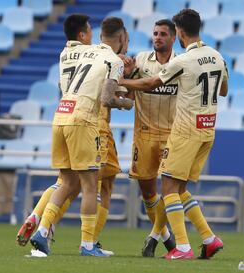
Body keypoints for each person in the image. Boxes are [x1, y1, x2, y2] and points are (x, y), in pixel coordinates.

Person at [119, 9, 228, 260]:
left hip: (185, 130)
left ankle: (183, 247)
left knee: (168, 187)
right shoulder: (217, 56)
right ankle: (209, 238)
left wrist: (122, 83)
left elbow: (150, 84)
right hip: (207, 130)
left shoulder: (182, 61)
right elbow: (222, 89)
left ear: (179, 32)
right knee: (178, 189)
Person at [29, 14, 133, 257]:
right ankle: (87, 245)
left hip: (61, 115)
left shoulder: (86, 52)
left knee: (66, 182)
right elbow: (107, 99)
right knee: (89, 186)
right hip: (83, 120)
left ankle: (42, 231)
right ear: (122, 38)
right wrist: (125, 103)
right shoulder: (113, 60)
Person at [126, 19, 178, 257]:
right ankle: (166, 236)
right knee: (147, 192)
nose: (158, 37)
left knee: (170, 190)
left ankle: (153, 237)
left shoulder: (181, 63)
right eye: (155, 33)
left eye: (163, 34)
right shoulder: (140, 60)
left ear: (173, 38)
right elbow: (127, 94)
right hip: (144, 134)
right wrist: (126, 75)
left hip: (171, 135)